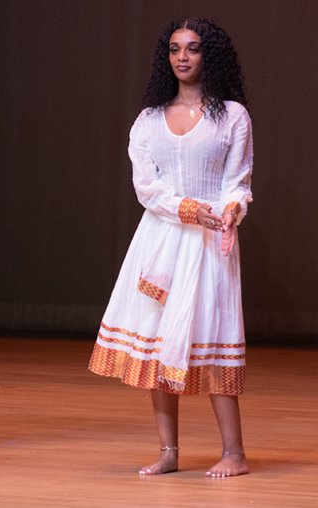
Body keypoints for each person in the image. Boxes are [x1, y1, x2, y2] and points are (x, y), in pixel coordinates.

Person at [88, 17, 252, 477]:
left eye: (193, 48)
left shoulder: (233, 116)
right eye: (175, 49)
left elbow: (237, 183)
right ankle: (169, 452)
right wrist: (185, 209)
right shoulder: (148, 120)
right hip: (160, 239)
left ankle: (234, 453)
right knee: (158, 342)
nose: (183, 56)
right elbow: (147, 187)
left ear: (208, 55)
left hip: (210, 243)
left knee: (214, 338)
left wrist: (233, 208)